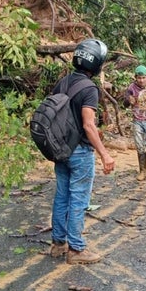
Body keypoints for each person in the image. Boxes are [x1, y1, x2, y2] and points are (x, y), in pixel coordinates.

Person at [49, 38, 116, 265]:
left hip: (61, 149)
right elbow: (88, 125)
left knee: (62, 196)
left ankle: (58, 244)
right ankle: (76, 250)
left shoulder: (63, 83)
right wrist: (105, 154)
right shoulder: (89, 89)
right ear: (96, 64)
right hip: (80, 152)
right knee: (78, 199)